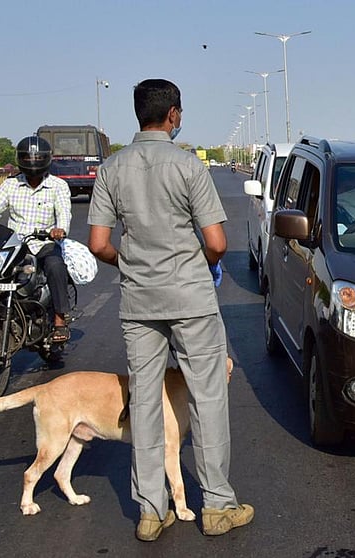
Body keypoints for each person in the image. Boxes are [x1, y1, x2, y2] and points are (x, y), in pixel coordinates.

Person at [87, 79, 253, 541]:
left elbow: (98, 244)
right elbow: (217, 242)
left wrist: (130, 263)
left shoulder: (110, 170)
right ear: (174, 115)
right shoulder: (188, 166)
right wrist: (203, 266)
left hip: (139, 301)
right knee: (207, 397)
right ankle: (218, 506)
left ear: (138, 114)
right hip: (191, 298)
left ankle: (150, 511)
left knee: (143, 401)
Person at [0, 135, 73, 342]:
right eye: (28, 158)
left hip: (44, 243)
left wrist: (60, 230)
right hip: (15, 246)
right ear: (21, 159)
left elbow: (64, 213)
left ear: (46, 159)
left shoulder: (58, 186)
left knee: (56, 267)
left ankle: (59, 320)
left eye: (37, 157)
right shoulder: (10, 185)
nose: (33, 162)